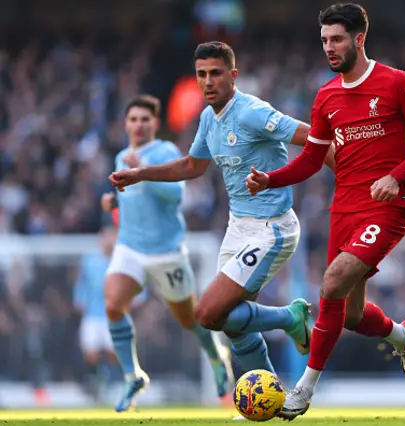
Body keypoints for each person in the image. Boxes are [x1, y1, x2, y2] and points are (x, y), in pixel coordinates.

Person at [246, 3, 405, 419]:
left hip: (387, 208)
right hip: (344, 209)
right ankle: (400, 333)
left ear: (360, 38)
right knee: (351, 315)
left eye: (336, 39)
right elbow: (310, 160)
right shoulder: (326, 96)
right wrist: (272, 178)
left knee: (332, 281)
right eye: (324, 41)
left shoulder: (399, 84)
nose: (329, 48)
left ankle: (302, 391)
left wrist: (397, 176)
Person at [108, 41, 334, 400]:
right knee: (234, 322)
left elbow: (315, 138)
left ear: (233, 75)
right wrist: (141, 174)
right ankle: (270, 402)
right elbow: (192, 166)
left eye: (215, 73)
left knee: (208, 313)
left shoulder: (251, 112)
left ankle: (291, 318)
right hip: (237, 228)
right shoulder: (209, 118)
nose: (208, 81)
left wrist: (352, 183)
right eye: (201, 74)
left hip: (271, 229)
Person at [100, 94, 233, 412]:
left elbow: (174, 195)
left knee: (190, 320)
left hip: (166, 253)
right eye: (133, 119)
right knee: (113, 304)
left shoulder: (165, 152)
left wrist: (142, 170)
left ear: (155, 124)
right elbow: (132, 199)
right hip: (130, 247)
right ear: (126, 124)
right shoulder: (122, 157)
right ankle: (133, 375)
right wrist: (112, 203)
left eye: (145, 119)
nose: (139, 125)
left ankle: (216, 355)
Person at [73, 226, 119, 398]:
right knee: (90, 353)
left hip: (113, 315)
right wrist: (79, 298)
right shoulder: (90, 261)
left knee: (113, 353)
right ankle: (96, 383)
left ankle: (111, 383)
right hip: (92, 314)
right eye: (107, 237)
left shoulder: (120, 262)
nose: (110, 241)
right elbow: (82, 283)